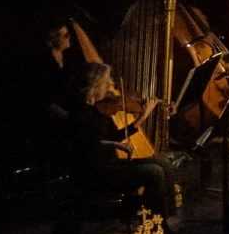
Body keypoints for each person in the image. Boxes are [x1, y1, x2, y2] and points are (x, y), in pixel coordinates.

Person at [63, 62, 172, 218]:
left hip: (109, 163)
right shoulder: (80, 111)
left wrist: (141, 118)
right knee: (154, 172)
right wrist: (114, 145)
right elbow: (86, 144)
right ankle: (156, 224)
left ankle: (165, 219)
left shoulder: (95, 108)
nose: (110, 84)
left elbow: (112, 136)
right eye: (106, 80)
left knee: (163, 162)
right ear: (95, 84)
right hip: (96, 171)